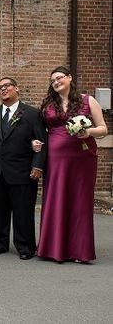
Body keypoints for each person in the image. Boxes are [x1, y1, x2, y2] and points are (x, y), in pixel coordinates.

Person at [34, 66, 107, 263]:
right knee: (56, 199)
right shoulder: (48, 104)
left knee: (80, 201)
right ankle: (54, 248)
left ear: (70, 77)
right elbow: (38, 131)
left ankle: (79, 251)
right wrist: (34, 142)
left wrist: (89, 132)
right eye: (52, 80)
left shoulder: (87, 100)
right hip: (55, 159)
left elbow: (103, 129)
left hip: (82, 158)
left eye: (59, 78)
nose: (56, 82)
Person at [0, 77, 47, 260]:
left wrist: (38, 165)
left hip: (22, 171)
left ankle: (25, 246)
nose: (3, 89)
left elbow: (42, 141)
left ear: (17, 88)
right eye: (0, 87)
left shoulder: (31, 114)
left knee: (23, 211)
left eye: (6, 86)